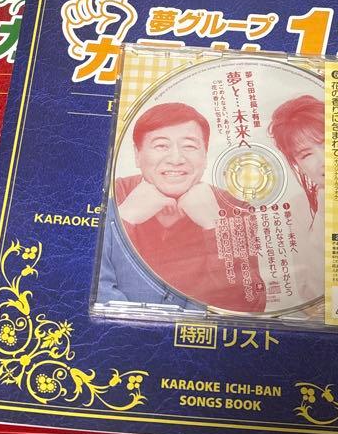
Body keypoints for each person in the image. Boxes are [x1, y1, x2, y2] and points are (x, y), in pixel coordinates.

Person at [100, 102, 266, 313]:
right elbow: (92, 291)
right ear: (137, 154)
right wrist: (124, 218)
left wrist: (215, 226)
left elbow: (249, 305)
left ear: (205, 155)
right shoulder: (110, 194)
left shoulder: (234, 209)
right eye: (161, 146)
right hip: (123, 334)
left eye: (189, 146)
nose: (176, 159)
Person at [268, 94, 325, 306]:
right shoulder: (295, 211)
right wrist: (323, 215)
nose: (324, 161)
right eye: (306, 155)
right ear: (297, 164)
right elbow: (311, 301)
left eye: (328, 143)